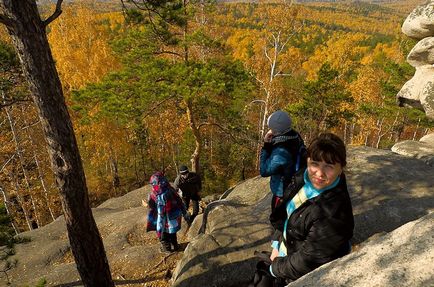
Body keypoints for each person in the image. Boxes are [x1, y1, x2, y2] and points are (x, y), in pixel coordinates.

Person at [250, 133, 354, 287]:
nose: (319, 173)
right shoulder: (303, 177)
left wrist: (274, 269)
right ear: (308, 160)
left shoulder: (334, 213)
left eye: (329, 166)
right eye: (315, 163)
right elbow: (287, 214)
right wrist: (276, 245)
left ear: (341, 169)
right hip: (286, 251)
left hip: (303, 270)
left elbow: (309, 260)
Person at [260, 110, 306, 215]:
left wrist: (266, 146)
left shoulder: (281, 153)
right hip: (293, 182)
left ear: (275, 130)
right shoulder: (294, 135)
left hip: (283, 192)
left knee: (279, 218)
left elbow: (264, 170)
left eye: (271, 128)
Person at [146, 172, 189, 253]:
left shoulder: (153, 193)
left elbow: (151, 207)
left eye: (153, 183)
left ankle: (166, 248)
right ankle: (175, 246)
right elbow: (179, 200)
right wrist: (184, 212)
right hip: (173, 216)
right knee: (172, 232)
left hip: (161, 218)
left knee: (163, 233)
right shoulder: (170, 189)